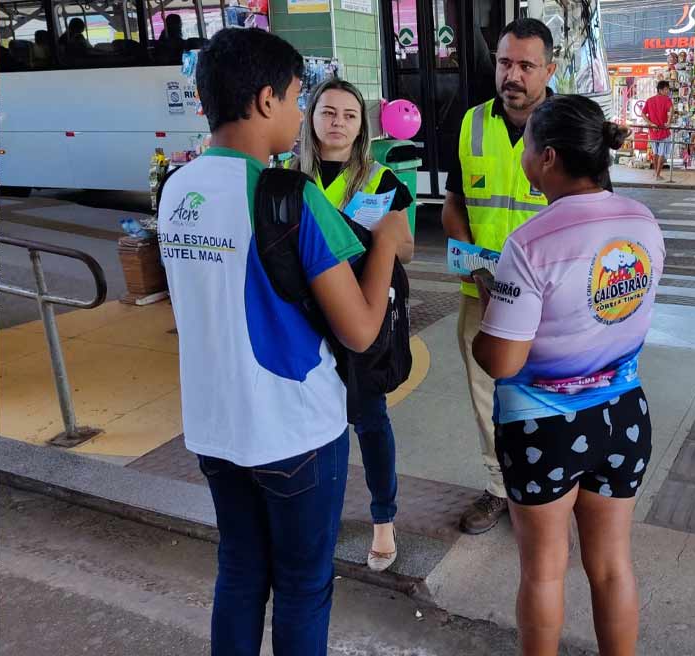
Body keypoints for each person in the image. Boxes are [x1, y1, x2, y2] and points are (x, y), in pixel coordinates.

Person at [158, 28, 410, 654]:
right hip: (294, 428)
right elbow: (360, 327)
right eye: (300, 98)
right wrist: (385, 242)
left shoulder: (175, 190)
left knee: (240, 572)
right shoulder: (287, 196)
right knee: (302, 586)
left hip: (214, 429)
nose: (302, 113)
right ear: (266, 100)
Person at [472, 93, 664, 656]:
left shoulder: (531, 241)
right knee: (610, 565)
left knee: (544, 571)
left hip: (543, 427)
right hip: (624, 414)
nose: (524, 155)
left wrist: (493, 309)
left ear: (548, 157)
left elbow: (502, 360)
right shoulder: (642, 221)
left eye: (528, 145)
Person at [295, 78, 416, 572]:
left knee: (368, 417)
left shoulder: (379, 179)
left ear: (363, 125)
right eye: (329, 112)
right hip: (302, 317)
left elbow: (405, 247)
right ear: (311, 117)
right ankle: (317, 512)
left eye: (349, 114)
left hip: (363, 312)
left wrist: (372, 233)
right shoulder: (285, 172)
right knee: (312, 419)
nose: (338, 123)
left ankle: (383, 519)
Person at [441, 18, 556, 535]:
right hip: (481, 296)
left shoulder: (567, 126)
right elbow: (453, 205)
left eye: (526, 66)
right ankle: (497, 489)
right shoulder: (469, 123)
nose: (513, 75)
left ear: (550, 69)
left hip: (550, 304)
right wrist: (480, 272)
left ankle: (547, 489)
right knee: (486, 395)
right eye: (506, 63)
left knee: (550, 395)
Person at [642, 80, 674, 181]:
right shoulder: (666, 99)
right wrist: (668, 122)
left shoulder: (649, 100)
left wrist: (650, 123)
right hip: (663, 131)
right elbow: (672, 109)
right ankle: (657, 175)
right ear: (660, 90)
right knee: (662, 154)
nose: (667, 91)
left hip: (652, 132)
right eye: (666, 89)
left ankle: (656, 173)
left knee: (655, 153)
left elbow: (643, 114)